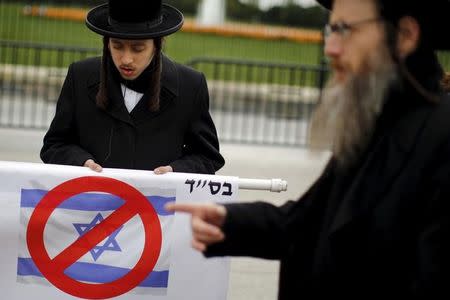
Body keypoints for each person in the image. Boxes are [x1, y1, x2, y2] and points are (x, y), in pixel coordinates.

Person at [166, 0, 450, 297]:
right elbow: (306, 223)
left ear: (405, 35)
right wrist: (229, 221)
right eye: (331, 30)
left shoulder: (440, 138)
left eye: (344, 30)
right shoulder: (376, 125)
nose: (331, 48)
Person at [40, 0, 224, 175]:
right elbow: (54, 145)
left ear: (157, 45)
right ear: (106, 43)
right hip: (91, 203)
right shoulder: (79, 75)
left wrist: (175, 171)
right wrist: (81, 162)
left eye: (138, 49)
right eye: (117, 46)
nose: (126, 59)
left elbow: (207, 157)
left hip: (157, 206)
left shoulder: (190, 84)